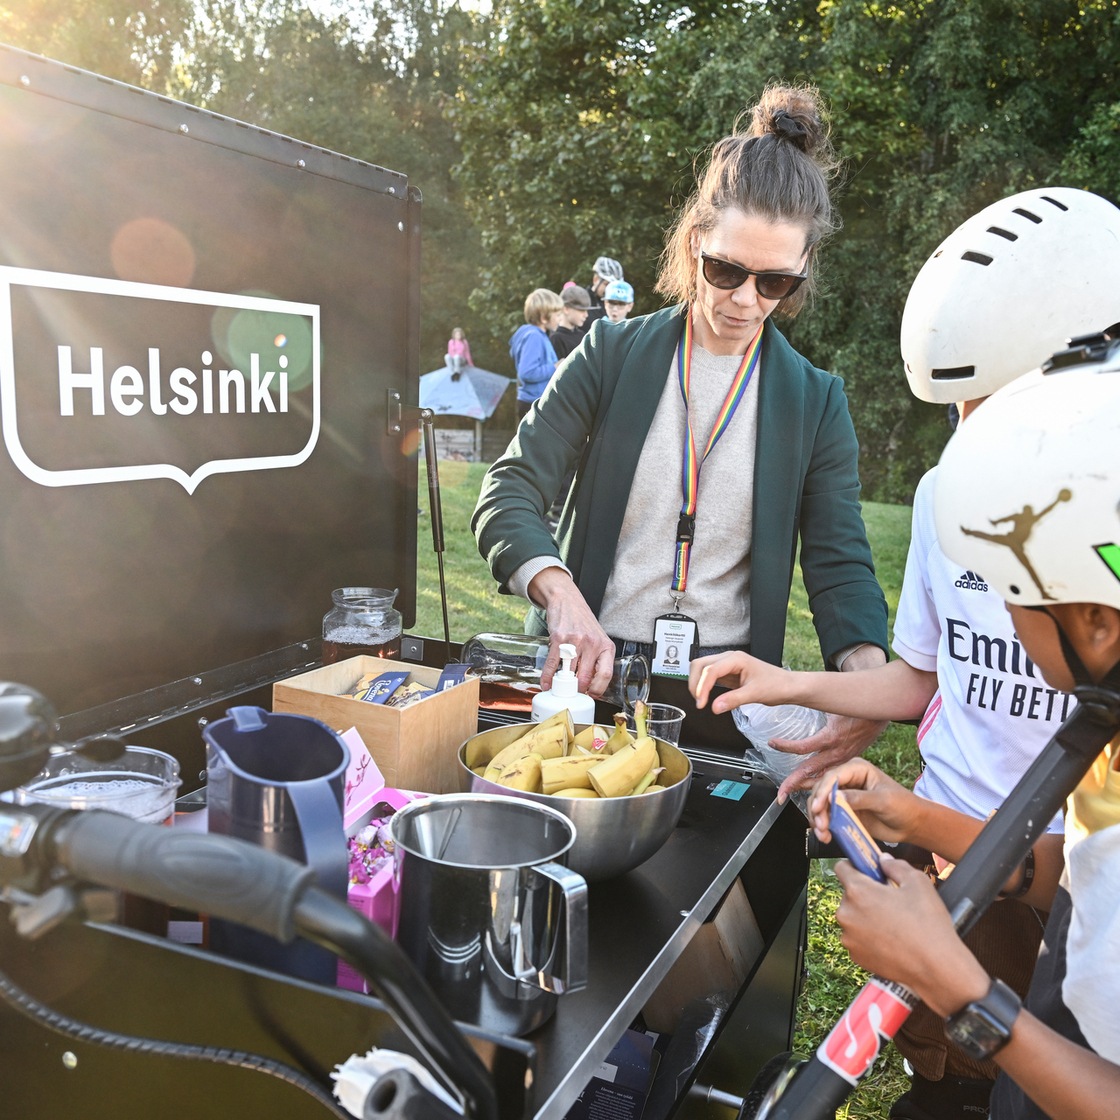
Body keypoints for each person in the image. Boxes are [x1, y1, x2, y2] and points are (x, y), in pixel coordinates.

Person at [688, 187, 1120, 1120]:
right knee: (953, 1086)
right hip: (980, 847)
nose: (969, 438)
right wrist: (907, 812)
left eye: (995, 409)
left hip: (1013, 869)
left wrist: (965, 989)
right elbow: (1063, 858)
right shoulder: (948, 497)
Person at [473, 84, 889, 759]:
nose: (746, 301)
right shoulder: (610, 355)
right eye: (726, 270)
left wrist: (869, 684)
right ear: (696, 243)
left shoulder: (816, 401)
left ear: (803, 269)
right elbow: (510, 490)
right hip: (590, 677)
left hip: (723, 690)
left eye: (774, 282)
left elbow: (840, 564)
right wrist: (562, 601)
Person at [806, 357, 1120, 1120]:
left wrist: (956, 985)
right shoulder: (1104, 746)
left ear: (1096, 624)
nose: (1002, 624)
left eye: (1016, 599)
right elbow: (1084, 878)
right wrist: (914, 817)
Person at [510, 289, 563, 420]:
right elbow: (526, 372)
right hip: (533, 404)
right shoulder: (534, 337)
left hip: (538, 402)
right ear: (544, 318)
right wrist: (555, 367)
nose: (560, 319)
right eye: (557, 315)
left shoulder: (539, 335)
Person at [581, 256, 624, 331]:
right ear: (595, 280)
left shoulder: (616, 305)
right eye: (607, 284)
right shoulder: (581, 300)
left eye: (614, 286)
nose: (611, 290)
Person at [550, 286, 592, 361]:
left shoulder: (582, 335)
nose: (586, 315)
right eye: (581, 310)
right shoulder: (556, 338)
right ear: (566, 309)